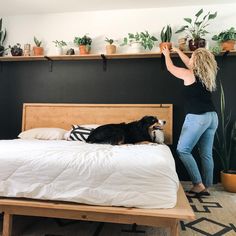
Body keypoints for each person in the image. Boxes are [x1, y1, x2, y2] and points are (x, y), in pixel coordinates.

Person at [162, 46, 218, 196]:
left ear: (197, 61)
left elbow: (171, 68)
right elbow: (188, 63)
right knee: (206, 154)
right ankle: (206, 185)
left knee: (183, 150)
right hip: (212, 117)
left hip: (197, 117)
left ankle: (198, 184)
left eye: (192, 57)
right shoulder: (207, 76)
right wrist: (179, 51)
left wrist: (167, 54)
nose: (190, 59)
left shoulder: (189, 75)